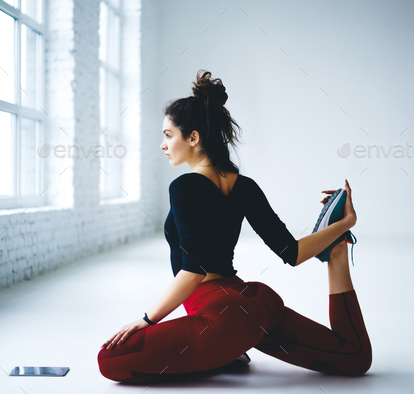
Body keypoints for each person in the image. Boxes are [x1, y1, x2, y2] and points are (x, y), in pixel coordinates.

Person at [97, 70, 372, 384]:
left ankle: (226, 350)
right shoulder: (245, 186)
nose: (163, 144)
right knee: (354, 356)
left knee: (109, 360)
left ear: (194, 138)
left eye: (168, 135)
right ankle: (336, 253)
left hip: (221, 316)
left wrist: (146, 320)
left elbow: (194, 270)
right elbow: (292, 253)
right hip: (257, 302)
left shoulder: (185, 186)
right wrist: (344, 224)